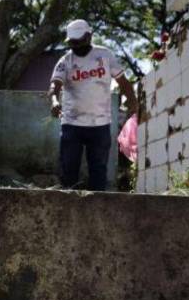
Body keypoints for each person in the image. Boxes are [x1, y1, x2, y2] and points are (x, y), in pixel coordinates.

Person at [48, 19, 138, 191]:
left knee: (98, 172)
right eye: (73, 43)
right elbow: (54, 86)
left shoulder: (105, 55)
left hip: (100, 124)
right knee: (68, 171)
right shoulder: (65, 61)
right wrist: (54, 101)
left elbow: (123, 81)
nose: (76, 46)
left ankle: (97, 210)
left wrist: (133, 102)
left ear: (89, 36)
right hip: (71, 124)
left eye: (80, 41)